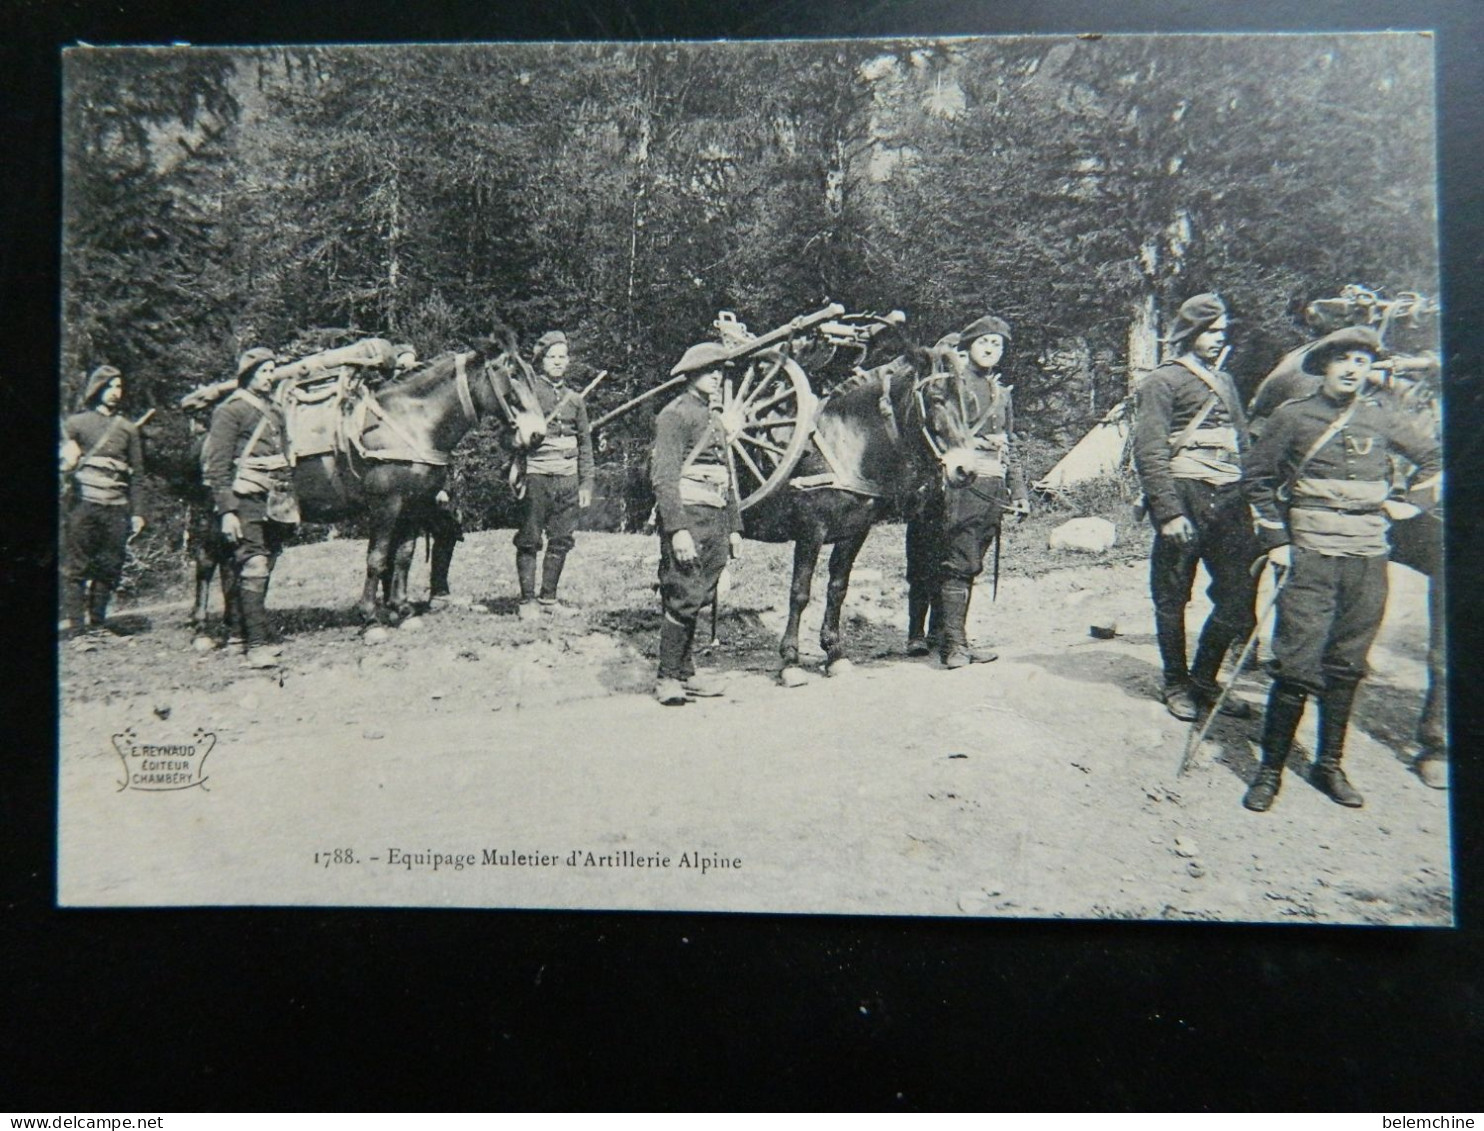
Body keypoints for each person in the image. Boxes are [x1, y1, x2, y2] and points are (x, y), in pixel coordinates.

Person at [1240, 326, 1441, 812]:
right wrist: (1277, 542)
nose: (1354, 369)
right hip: (1310, 554)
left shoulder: (1381, 416)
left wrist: (1410, 504)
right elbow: (1257, 481)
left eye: (1363, 360)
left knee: (1348, 664)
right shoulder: (1295, 417)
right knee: (1295, 664)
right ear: (1324, 367)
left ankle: (1328, 765)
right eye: (1344, 359)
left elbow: (1435, 459)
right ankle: (1270, 770)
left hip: (1367, 559)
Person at [1132, 292, 1259, 721]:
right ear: (1190, 334)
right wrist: (1167, 512)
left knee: (1239, 595)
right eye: (1211, 332)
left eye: (1223, 331)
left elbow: (1243, 443)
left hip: (1230, 498)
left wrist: (1254, 499)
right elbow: (1149, 451)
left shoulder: (1225, 381)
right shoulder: (1161, 381)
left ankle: (1205, 678)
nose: (1219, 339)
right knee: (1172, 594)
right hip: (1184, 494)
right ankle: (1175, 681)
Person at [905, 314, 1031, 668]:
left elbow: (1010, 446)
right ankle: (954, 646)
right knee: (957, 563)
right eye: (984, 343)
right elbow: (937, 430)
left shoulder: (1001, 393)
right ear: (968, 347)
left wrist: (1019, 492)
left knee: (971, 563)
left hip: (992, 485)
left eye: (998, 345)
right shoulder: (952, 384)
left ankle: (954, 637)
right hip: (960, 484)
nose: (991, 349)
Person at [650, 342, 744, 705]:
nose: (718, 376)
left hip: (715, 517)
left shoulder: (713, 418)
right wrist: (677, 531)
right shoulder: (674, 415)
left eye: (721, 371)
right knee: (683, 592)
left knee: (701, 593)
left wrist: (734, 526)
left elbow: (727, 475)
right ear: (691, 375)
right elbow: (664, 478)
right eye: (710, 370)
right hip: (688, 516)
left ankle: (686, 673)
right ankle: (667, 677)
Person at [201, 347, 299, 668]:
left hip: (274, 497)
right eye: (264, 371)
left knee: (265, 562)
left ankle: (244, 633)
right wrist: (227, 511)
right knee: (253, 562)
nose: (270, 376)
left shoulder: (275, 411)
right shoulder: (229, 411)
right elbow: (217, 468)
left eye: (272, 371)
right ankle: (255, 646)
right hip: (244, 497)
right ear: (248, 375)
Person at [59, 365, 146, 634]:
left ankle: (97, 623)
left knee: (110, 566)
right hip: (83, 505)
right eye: (109, 387)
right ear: (96, 390)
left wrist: (138, 512)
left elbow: (138, 475)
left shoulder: (128, 429)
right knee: (77, 568)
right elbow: (64, 462)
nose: (114, 393)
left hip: (117, 506)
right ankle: (77, 628)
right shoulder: (75, 424)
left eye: (118, 387)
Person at [514, 330, 595, 617]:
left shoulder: (574, 399)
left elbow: (585, 443)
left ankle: (549, 599)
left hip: (567, 477)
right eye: (552, 357)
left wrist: (586, 483)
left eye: (563, 357)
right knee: (530, 537)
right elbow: (511, 435)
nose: (558, 362)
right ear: (541, 361)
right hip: (536, 473)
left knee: (561, 537)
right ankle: (527, 600)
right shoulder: (529, 392)